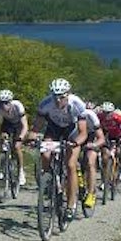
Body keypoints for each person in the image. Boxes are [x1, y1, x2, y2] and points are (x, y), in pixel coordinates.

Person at [31, 78, 89, 218]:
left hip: (72, 132)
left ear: (68, 94)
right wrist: (32, 138)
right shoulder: (45, 104)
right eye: (55, 97)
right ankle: (50, 181)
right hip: (54, 129)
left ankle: (70, 204)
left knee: (70, 165)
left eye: (62, 97)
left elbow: (83, 132)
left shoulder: (77, 104)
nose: (58, 100)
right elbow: (37, 127)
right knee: (45, 154)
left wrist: (75, 143)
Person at [0, 88, 30, 187]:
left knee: (17, 147)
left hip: (19, 124)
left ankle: (21, 171)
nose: (4, 106)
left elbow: (25, 125)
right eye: (2, 103)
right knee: (3, 141)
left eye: (6, 103)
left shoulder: (18, 106)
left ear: (11, 102)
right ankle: (2, 166)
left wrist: (21, 137)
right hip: (7, 124)